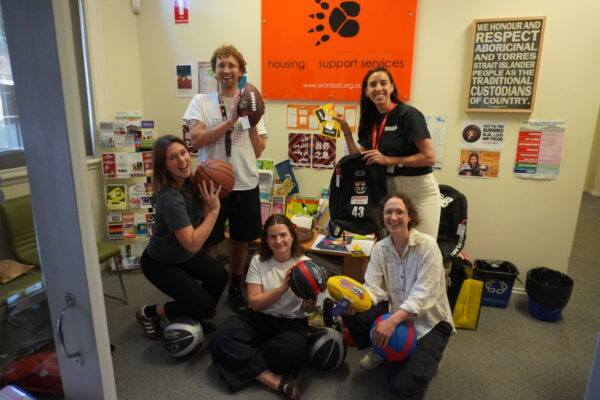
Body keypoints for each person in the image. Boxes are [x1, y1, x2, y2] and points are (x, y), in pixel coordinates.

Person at [342, 194, 454, 398]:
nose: (393, 217)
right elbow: (373, 288)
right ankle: (381, 349)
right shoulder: (380, 249)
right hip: (394, 311)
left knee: (402, 386)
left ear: (409, 216)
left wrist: (392, 322)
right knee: (351, 314)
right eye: (388, 212)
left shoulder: (427, 245)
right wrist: (354, 301)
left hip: (430, 320)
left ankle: (432, 357)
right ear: (382, 217)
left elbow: (423, 294)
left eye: (399, 212)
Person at [183, 44, 267, 314]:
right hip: (211, 184)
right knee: (210, 240)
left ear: (240, 71)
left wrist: (251, 121)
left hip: (245, 181)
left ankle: (234, 287)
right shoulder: (201, 101)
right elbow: (195, 140)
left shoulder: (251, 102)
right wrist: (230, 121)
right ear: (214, 71)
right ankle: (211, 287)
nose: (226, 70)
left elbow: (257, 150)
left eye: (232, 65)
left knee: (241, 239)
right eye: (221, 65)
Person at [209, 215, 316, 400]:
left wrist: (309, 305)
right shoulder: (258, 261)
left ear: (292, 235)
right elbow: (255, 304)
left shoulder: (307, 265)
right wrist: (283, 288)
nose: (278, 241)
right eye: (272, 237)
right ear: (266, 239)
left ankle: (239, 358)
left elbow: (308, 311)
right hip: (258, 318)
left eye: (283, 235)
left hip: (291, 323)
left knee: (293, 349)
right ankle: (275, 381)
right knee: (220, 338)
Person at [135, 135, 229, 340]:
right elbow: (193, 243)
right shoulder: (170, 198)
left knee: (220, 276)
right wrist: (214, 212)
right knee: (204, 307)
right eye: (172, 158)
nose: (182, 160)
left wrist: (209, 205)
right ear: (163, 166)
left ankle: (195, 311)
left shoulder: (192, 182)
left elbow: (201, 219)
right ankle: (148, 313)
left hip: (183, 255)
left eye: (183, 153)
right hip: (160, 263)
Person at [333, 66, 441, 238]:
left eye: (383, 83)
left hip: (419, 190)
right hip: (386, 190)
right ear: (366, 92)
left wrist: (388, 160)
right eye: (372, 85)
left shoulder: (408, 115)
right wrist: (346, 131)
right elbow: (359, 159)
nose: (378, 88)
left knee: (423, 247)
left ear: (392, 87)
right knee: (392, 247)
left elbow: (429, 158)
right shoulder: (370, 120)